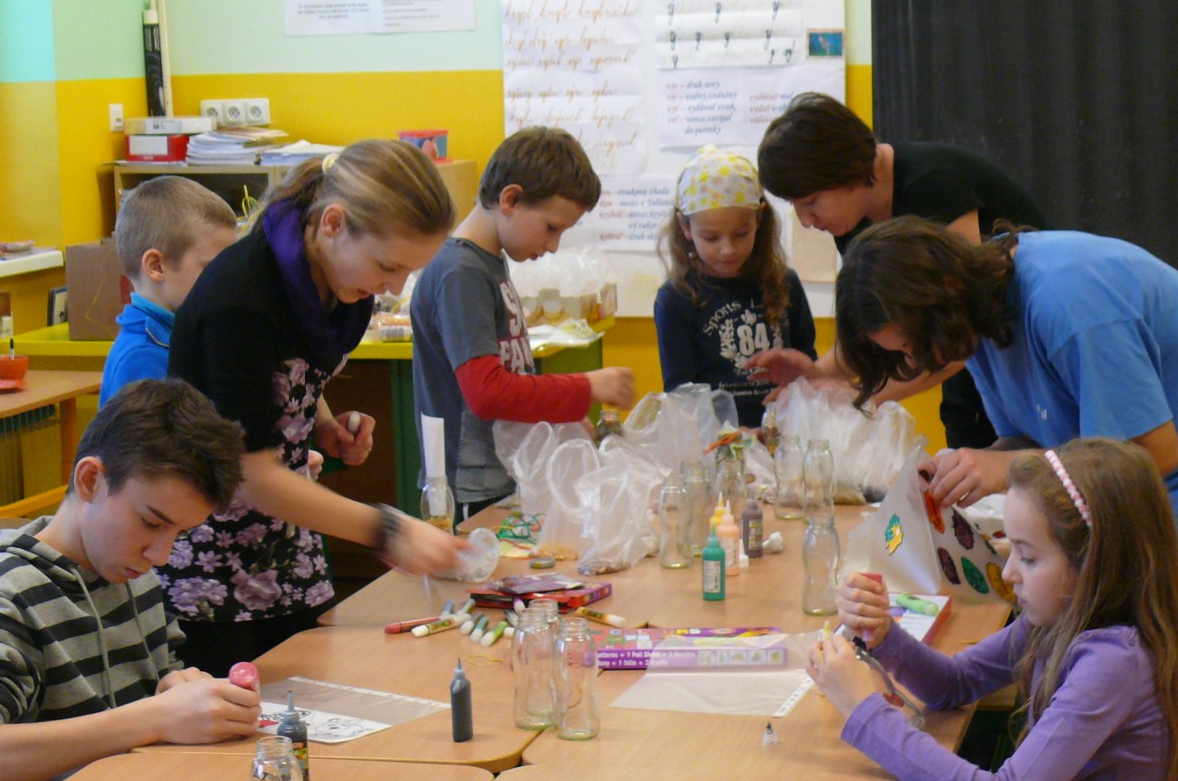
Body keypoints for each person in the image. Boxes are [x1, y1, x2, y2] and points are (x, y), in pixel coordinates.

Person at [808, 439, 1178, 781]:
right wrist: (884, 634)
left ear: (1095, 563)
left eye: (1028, 556)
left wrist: (863, 709)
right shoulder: (1061, 616)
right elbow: (954, 684)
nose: (1009, 571)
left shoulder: (1115, 662)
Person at [167, 140, 465, 674]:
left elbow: (285, 372)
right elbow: (249, 475)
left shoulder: (337, 282)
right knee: (240, 718)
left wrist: (322, 423)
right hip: (210, 565)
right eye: (388, 266)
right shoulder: (240, 298)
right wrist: (388, 531)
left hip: (286, 546)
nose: (394, 287)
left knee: (317, 702)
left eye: (408, 273)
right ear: (332, 223)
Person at [834, 215, 1178, 614]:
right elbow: (1034, 442)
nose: (918, 360)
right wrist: (967, 467)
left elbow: (1151, 454)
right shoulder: (977, 316)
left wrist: (1011, 466)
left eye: (913, 343)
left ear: (942, 295)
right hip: (1128, 510)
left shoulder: (1067, 302)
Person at [0, 379, 261, 781]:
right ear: (91, 480)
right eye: (151, 523)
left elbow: (157, 688)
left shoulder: (131, 573)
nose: (161, 555)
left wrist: (178, 686)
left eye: (179, 533)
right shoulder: (7, 592)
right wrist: (155, 717)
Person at [750, 92, 1051, 448]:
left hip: (1035, 356)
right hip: (979, 370)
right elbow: (882, 327)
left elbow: (962, 331)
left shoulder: (933, 183)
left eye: (811, 202)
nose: (805, 220)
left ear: (847, 169)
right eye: (795, 206)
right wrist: (817, 375)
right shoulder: (852, 218)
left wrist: (863, 398)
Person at [410, 126, 635, 520]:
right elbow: (486, 393)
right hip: (471, 488)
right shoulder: (462, 273)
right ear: (510, 199)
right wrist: (585, 386)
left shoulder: (487, 262)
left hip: (502, 475)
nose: (553, 246)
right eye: (552, 228)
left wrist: (555, 412)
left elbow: (509, 374)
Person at [653, 144, 817, 428]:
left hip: (785, 431)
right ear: (685, 227)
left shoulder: (785, 282)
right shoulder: (676, 298)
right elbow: (682, 395)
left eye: (741, 234)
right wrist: (728, 436)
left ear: (759, 218)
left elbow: (807, 366)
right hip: (717, 441)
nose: (727, 249)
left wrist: (798, 393)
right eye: (711, 238)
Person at [99, 176, 238, 407]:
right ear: (156, 266)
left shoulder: (186, 332)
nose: (226, 283)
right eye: (212, 269)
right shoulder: (142, 357)